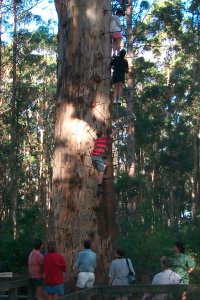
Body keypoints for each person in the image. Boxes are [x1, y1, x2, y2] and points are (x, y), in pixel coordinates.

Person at [91, 129, 112, 196]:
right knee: (102, 170)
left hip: (94, 156)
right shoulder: (104, 140)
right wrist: (117, 129)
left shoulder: (97, 140)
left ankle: (101, 174)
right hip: (97, 157)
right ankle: (99, 186)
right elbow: (110, 137)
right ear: (102, 135)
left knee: (105, 164)